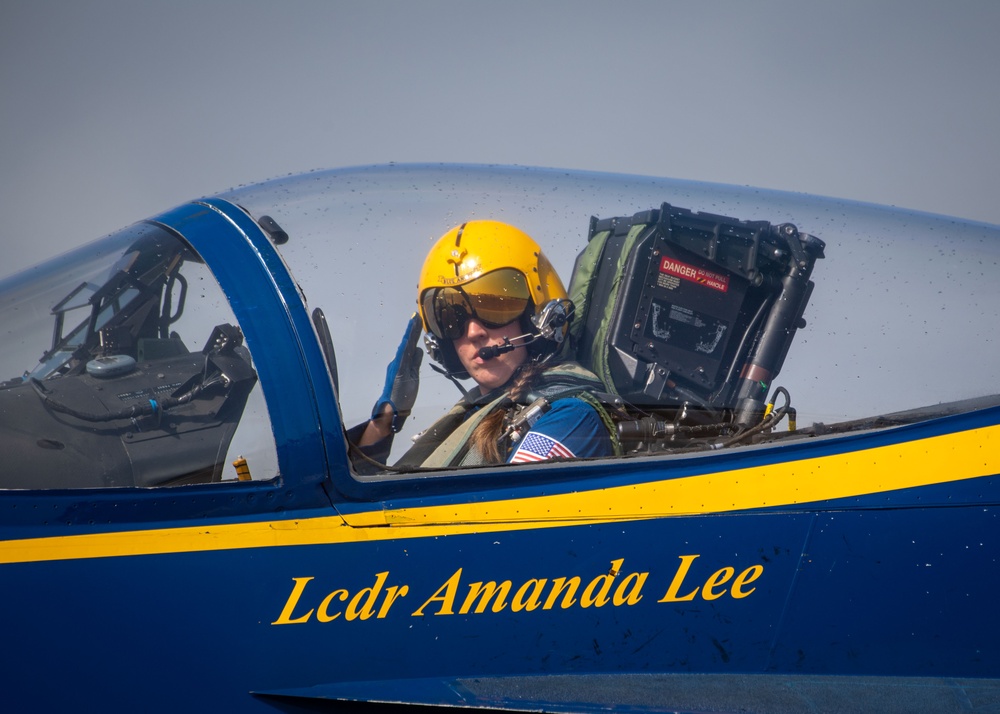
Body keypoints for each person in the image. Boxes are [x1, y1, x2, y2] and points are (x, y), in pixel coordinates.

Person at [350, 220, 617, 470]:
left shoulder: (569, 419)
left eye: (495, 308)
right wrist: (383, 422)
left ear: (540, 316)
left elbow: (505, 508)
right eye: (450, 318)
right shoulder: (471, 419)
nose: (474, 331)